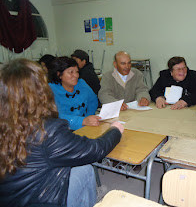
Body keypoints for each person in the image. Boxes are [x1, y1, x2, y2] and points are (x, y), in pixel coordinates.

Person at [0, 58, 124, 207]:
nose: (75, 76)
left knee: (82, 169)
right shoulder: (47, 130)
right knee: (85, 169)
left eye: (76, 72)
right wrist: (115, 130)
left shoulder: (8, 122)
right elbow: (95, 150)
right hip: (41, 199)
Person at [48, 56, 100, 130]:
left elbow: (92, 101)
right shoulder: (49, 90)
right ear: (59, 74)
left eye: (77, 72)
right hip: (62, 130)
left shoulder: (81, 83)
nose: (76, 75)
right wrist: (82, 121)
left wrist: (89, 117)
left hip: (86, 127)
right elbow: (53, 116)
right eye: (71, 72)